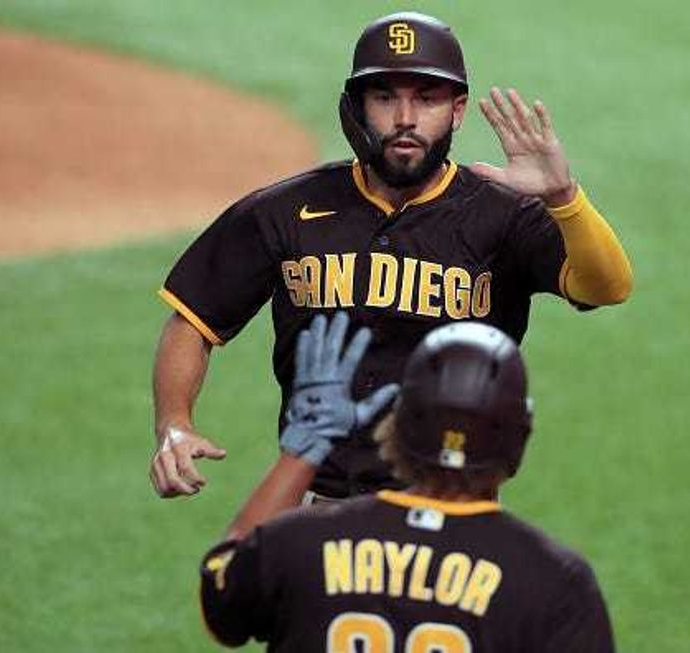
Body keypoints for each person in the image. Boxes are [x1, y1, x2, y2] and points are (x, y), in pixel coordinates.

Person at [150, 11, 633, 500]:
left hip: (450, 508)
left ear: (457, 110)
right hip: (320, 505)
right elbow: (194, 318)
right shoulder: (288, 209)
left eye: (426, 99)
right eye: (384, 98)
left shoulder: (503, 216)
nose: (405, 118)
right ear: (356, 108)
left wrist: (563, 198)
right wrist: (174, 424)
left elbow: (607, 287)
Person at [199, 312, 615, 651]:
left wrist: (303, 450)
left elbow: (222, 598)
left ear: (396, 425)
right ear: (518, 438)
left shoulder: (298, 544)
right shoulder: (554, 582)